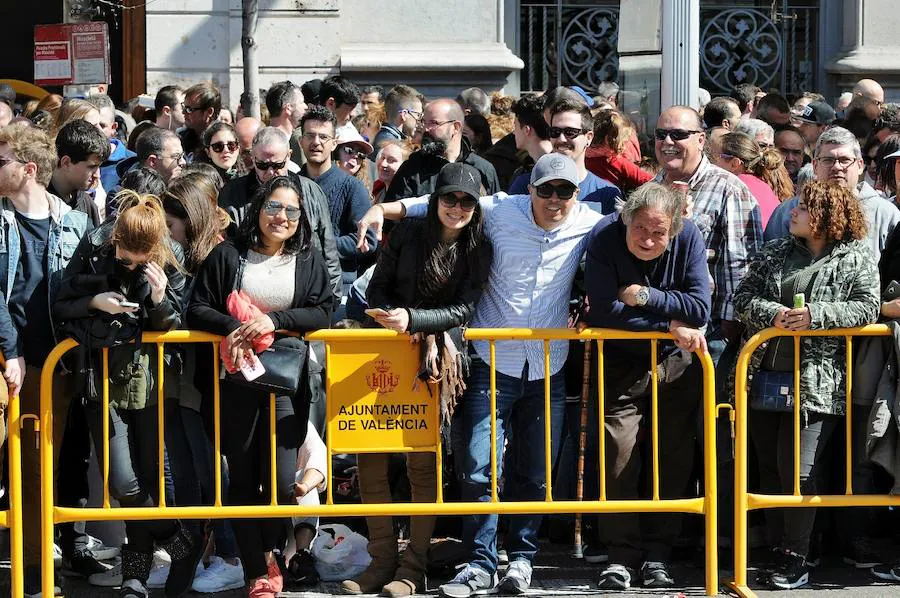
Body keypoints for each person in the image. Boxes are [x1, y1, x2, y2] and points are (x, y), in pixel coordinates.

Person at [358, 153, 604, 597]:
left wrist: (593, 305)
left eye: (564, 191)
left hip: (551, 363)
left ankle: (523, 558)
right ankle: (479, 562)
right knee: (475, 468)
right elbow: (429, 204)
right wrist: (381, 208)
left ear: (575, 194)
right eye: (545, 189)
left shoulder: (592, 219)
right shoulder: (497, 209)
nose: (554, 199)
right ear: (529, 188)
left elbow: (632, 238)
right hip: (493, 361)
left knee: (536, 472)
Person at [342, 163, 492, 598]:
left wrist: (415, 321)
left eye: (467, 201)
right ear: (435, 200)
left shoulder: (478, 245)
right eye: (450, 198)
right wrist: (393, 318)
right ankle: (380, 560)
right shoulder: (407, 233)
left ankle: (413, 567)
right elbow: (377, 288)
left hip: (436, 357)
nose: (457, 208)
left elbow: (465, 309)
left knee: (422, 462)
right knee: (371, 456)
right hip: (386, 347)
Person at [188, 176, 333, 598]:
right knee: (243, 478)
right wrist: (235, 327)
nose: (281, 217)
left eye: (291, 210)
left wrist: (276, 321)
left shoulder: (307, 259)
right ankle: (258, 570)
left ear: (301, 217)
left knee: (281, 480)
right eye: (273, 207)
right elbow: (196, 307)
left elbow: (323, 310)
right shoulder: (228, 254)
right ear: (258, 210)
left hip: (286, 383)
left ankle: (269, 551)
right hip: (236, 380)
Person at [733, 180, 880, 590]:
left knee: (800, 470)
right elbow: (743, 297)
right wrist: (773, 314)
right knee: (767, 469)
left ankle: (796, 555)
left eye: (803, 208)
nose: (792, 212)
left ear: (827, 218)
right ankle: (781, 549)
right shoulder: (775, 250)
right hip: (764, 374)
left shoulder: (856, 258)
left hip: (818, 379)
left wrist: (818, 314)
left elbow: (866, 306)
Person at [54, 190, 201, 598]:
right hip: (101, 375)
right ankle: (174, 536)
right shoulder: (99, 241)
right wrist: (94, 301)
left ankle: (134, 575)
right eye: (126, 258)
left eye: (140, 260)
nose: (131, 264)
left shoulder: (171, 252)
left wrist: (156, 300)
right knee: (122, 480)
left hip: (153, 377)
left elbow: (175, 322)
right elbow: (62, 302)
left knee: (154, 475)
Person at [584, 182, 710, 591]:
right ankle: (620, 556)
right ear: (626, 219)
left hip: (677, 365)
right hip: (621, 365)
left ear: (674, 229)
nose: (649, 240)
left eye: (659, 233)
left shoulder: (689, 237)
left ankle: (659, 555)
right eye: (640, 229)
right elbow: (604, 311)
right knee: (619, 455)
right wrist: (670, 325)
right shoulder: (604, 236)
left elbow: (699, 306)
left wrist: (643, 296)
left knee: (671, 457)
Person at [0, 124, 99, 596]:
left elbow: (81, 290)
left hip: (52, 365)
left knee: (40, 474)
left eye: (2, 161)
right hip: (6, 361)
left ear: (29, 168)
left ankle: (38, 576)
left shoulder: (75, 223)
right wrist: (11, 351)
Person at [652, 105, 762, 354]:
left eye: (679, 134)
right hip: (659, 326)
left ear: (701, 140)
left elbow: (742, 264)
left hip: (710, 332)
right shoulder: (651, 188)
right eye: (661, 135)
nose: (668, 141)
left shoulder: (729, 188)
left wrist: (727, 328)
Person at [216, 126, 343, 301]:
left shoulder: (311, 191)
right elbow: (223, 252)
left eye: (277, 165)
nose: (270, 172)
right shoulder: (232, 193)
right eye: (262, 165)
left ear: (289, 156)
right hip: (246, 295)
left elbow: (328, 252)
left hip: (301, 293)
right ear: (252, 158)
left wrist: (331, 301)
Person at [766, 126, 900, 262]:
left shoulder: (885, 213)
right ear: (815, 166)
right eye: (828, 160)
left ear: (860, 165)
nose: (836, 167)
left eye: (845, 160)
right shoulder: (789, 211)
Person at [298, 106, 376, 286]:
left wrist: (320, 244)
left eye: (323, 137)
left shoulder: (352, 187)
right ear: (301, 141)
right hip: (297, 282)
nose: (316, 142)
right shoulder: (289, 184)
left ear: (334, 143)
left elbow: (368, 240)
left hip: (339, 284)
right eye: (310, 135)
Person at [509, 99, 622, 213]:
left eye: (570, 132)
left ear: (589, 137)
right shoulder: (525, 185)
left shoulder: (606, 193)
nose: (561, 139)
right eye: (555, 132)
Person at [383, 98, 500, 202]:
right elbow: (392, 219)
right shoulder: (412, 167)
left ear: (456, 127)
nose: (426, 129)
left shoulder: (483, 169)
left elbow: (493, 217)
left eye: (434, 123)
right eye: (424, 122)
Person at [715, 132, 793, 227]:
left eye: (715, 157)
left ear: (735, 163)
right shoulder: (763, 184)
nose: (710, 162)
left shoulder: (734, 187)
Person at [49, 119, 111, 226]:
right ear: (66, 162)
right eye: (92, 167)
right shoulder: (37, 202)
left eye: (99, 167)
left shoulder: (88, 206)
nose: (97, 175)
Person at [585, 109, 653, 193]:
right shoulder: (616, 162)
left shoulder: (582, 156)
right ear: (610, 140)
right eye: (625, 140)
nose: (625, 145)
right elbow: (649, 181)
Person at [116, 127, 187, 186]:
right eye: (176, 157)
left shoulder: (186, 190)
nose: (183, 162)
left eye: (182, 156)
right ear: (153, 161)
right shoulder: (127, 198)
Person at [371, 84, 424, 151]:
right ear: (404, 115)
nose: (420, 122)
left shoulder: (384, 137)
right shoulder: (393, 146)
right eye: (418, 115)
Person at [181, 82, 222, 158]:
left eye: (189, 109)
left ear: (209, 112)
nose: (183, 112)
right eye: (183, 107)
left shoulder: (222, 142)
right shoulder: (182, 138)